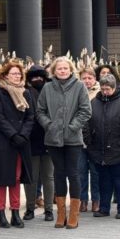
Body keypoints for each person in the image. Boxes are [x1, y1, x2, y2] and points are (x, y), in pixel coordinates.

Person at [36, 56, 92, 229]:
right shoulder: (47, 87)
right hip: (53, 139)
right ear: (54, 71)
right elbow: (40, 111)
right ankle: (61, 214)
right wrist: (49, 125)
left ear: (70, 70)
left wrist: (73, 126)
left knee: (73, 174)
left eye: (65, 68)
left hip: (73, 138)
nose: (62, 71)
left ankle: (74, 214)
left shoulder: (79, 86)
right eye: (59, 68)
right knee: (59, 174)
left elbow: (85, 110)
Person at [0, 60, 34, 229]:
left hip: (21, 142)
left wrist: (23, 135)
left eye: (19, 74)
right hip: (3, 141)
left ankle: (15, 212)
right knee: (1, 179)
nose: (17, 76)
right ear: (5, 75)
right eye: (13, 73)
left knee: (16, 178)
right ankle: (0, 212)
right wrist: (13, 134)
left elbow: (30, 117)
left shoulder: (26, 93)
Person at [87, 74, 120, 219]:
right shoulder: (94, 102)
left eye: (108, 89)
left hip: (119, 149)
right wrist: (89, 140)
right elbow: (87, 123)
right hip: (99, 148)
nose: (105, 92)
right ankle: (104, 208)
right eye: (102, 89)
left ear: (114, 87)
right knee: (103, 180)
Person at [23, 65, 54, 222]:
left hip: (49, 138)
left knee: (48, 177)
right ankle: (30, 208)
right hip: (30, 140)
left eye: (39, 77)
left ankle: (49, 209)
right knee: (31, 177)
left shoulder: (51, 91)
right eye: (33, 78)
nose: (37, 80)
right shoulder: (25, 92)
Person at [78, 67, 101, 213]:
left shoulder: (100, 94)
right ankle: (83, 200)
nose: (87, 81)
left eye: (90, 78)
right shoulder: (75, 93)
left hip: (96, 138)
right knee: (80, 171)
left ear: (95, 79)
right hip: (78, 138)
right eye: (84, 78)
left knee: (95, 172)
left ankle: (96, 200)